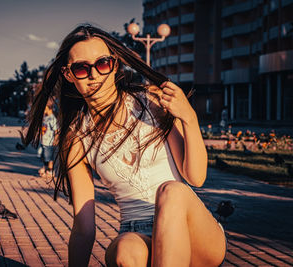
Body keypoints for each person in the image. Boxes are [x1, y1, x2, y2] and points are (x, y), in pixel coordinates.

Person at [25, 24, 226, 267]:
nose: (94, 75)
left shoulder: (151, 102)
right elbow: (83, 227)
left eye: (102, 63)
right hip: (136, 234)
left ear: (115, 65)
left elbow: (196, 177)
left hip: (194, 232)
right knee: (124, 251)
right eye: (81, 68)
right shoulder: (77, 137)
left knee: (171, 191)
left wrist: (189, 118)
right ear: (68, 75)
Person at [38, 101, 58, 178]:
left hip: (49, 141)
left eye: (44, 108)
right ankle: (45, 168)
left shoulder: (52, 118)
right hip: (44, 141)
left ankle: (50, 171)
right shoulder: (45, 118)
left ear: (49, 108)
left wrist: (55, 139)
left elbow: (56, 130)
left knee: (49, 158)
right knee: (44, 156)